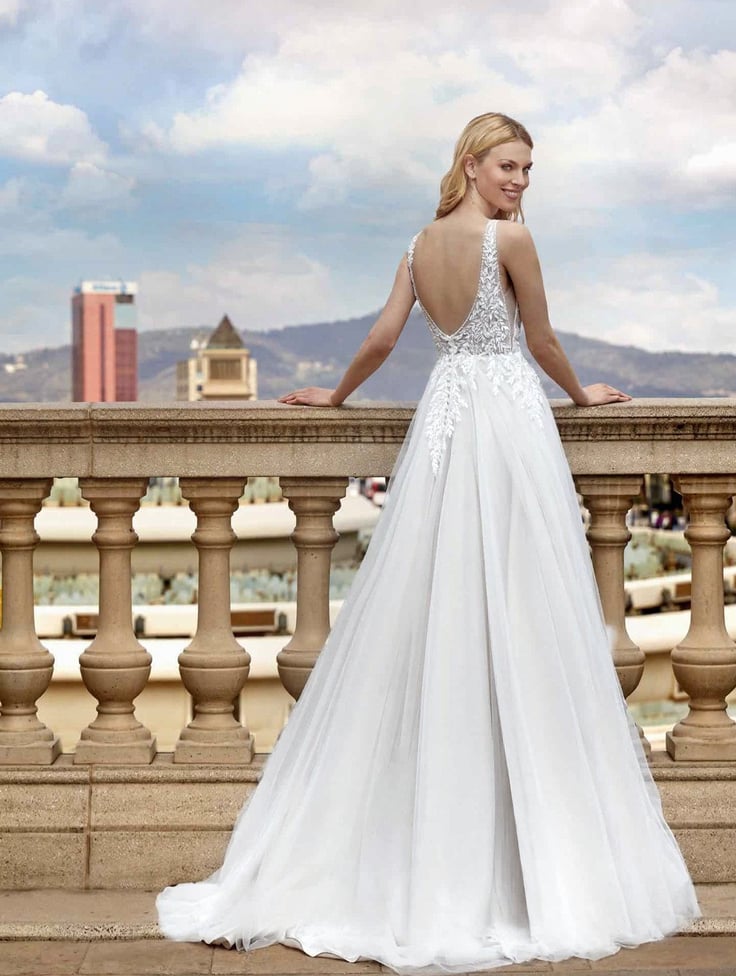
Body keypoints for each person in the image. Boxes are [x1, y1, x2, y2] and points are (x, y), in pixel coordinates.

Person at [157, 112, 700, 974]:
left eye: (528, 168)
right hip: (508, 424)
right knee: (518, 608)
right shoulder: (510, 243)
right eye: (510, 165)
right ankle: (520, 853)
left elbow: (381, 338)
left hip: (446, 427)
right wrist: (581, 397)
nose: (522, 181)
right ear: (473, 165)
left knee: (435, 607)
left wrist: (334, 397)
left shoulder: (419, 244)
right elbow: (542, 340)